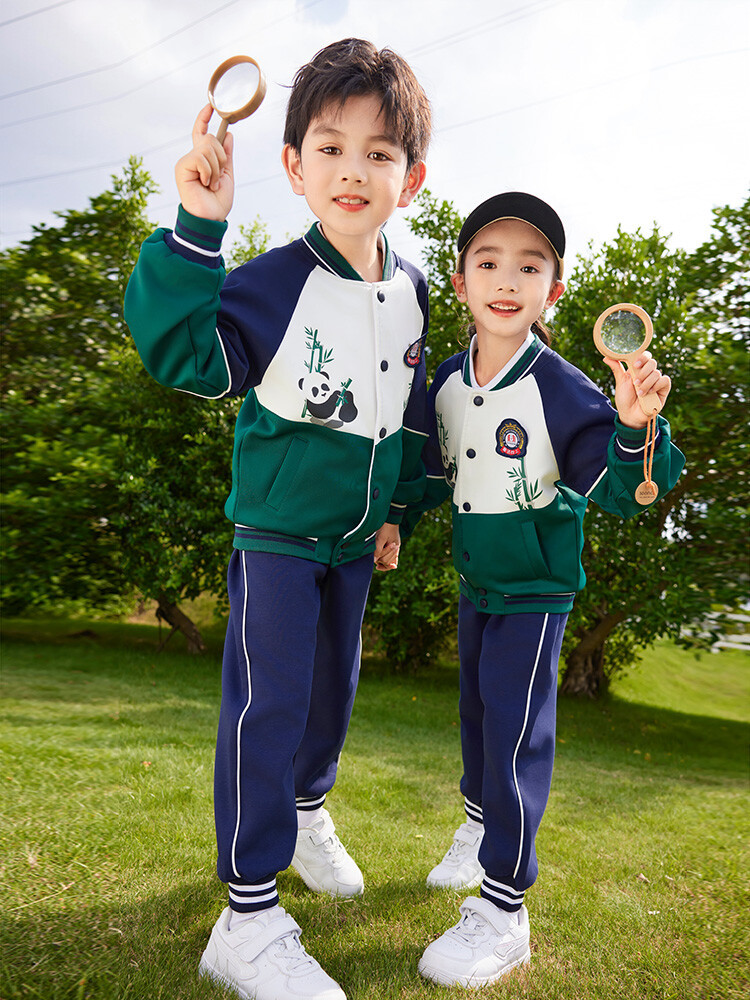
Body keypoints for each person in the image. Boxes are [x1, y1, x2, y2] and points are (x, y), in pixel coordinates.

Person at [124, 38, 431, 1000]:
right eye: (331, 149)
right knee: (269, 708)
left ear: (412, 179)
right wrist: (198, 227)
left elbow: (410, 415)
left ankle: (304, 814)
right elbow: (188, 356)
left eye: (379, 153)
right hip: (278, 537)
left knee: (330, 699)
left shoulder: (415, 289)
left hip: (355, 543)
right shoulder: (274, 279)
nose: (354, 171)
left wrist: (395, 514)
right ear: (294, 166)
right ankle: (247, 917)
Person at [402, 192, 685, 988]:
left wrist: (636, 425)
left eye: (529, 268)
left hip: (535, 592)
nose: (507, 280)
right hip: (477, 585)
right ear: (460, 282)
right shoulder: (446, 380)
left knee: (514, 736)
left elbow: (625, 487)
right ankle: (477, 829)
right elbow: (426, 472)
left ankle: (504, 909)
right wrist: (390, 521)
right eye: (488, 263)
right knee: (476, 723)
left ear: (552, 291)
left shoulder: (562, 389)